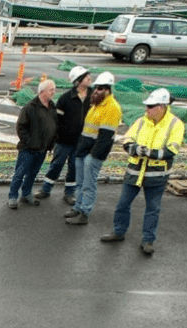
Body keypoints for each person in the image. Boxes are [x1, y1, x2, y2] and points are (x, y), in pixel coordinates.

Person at [100, 88, 185, 255]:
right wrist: (135, 149)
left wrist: (150, 153)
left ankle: (148, 240)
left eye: (150, 106)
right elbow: (127, 140)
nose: (146, 109)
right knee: (122, 204)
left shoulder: (176, 124)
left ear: (161, 107)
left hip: (156, 176)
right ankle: (118, 231)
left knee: (153, 209)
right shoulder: (140, 121)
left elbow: (172, 150)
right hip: (134, 172)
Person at [65, 71, 121, 226]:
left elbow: (105, 137)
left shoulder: (111, 107)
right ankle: (78, 207)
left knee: (88, 185)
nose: (96, 90)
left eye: (101, 88)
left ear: (109, 89)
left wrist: (93, 156)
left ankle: (84, 213)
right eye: (97, 87)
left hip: (93, 154)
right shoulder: (96, 105)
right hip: (83, 150)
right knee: (80, 183)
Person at [37, 65, 91, 205]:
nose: (89, 78)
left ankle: (69, 194)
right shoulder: (66, 98)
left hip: (81, 142)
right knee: (56, 165)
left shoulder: (93, 98)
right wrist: (56, 138)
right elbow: (57, 121)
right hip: (63, 141)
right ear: (78, 81)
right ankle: (46, 189)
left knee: (74, 167)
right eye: (86, 77)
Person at [7, 78, 58, 209]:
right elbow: (21, 127)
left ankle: (26, 193)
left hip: (42, 149)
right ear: (42, 91)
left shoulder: (52, 107)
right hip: (28, 149)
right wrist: (30, 142)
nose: (54, 92)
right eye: (51, 89)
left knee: (33, 173)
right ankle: (12, 196)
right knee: (20, 173)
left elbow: (54, 125)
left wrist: (51, 143)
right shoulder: (30, 107)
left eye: (54, 89)